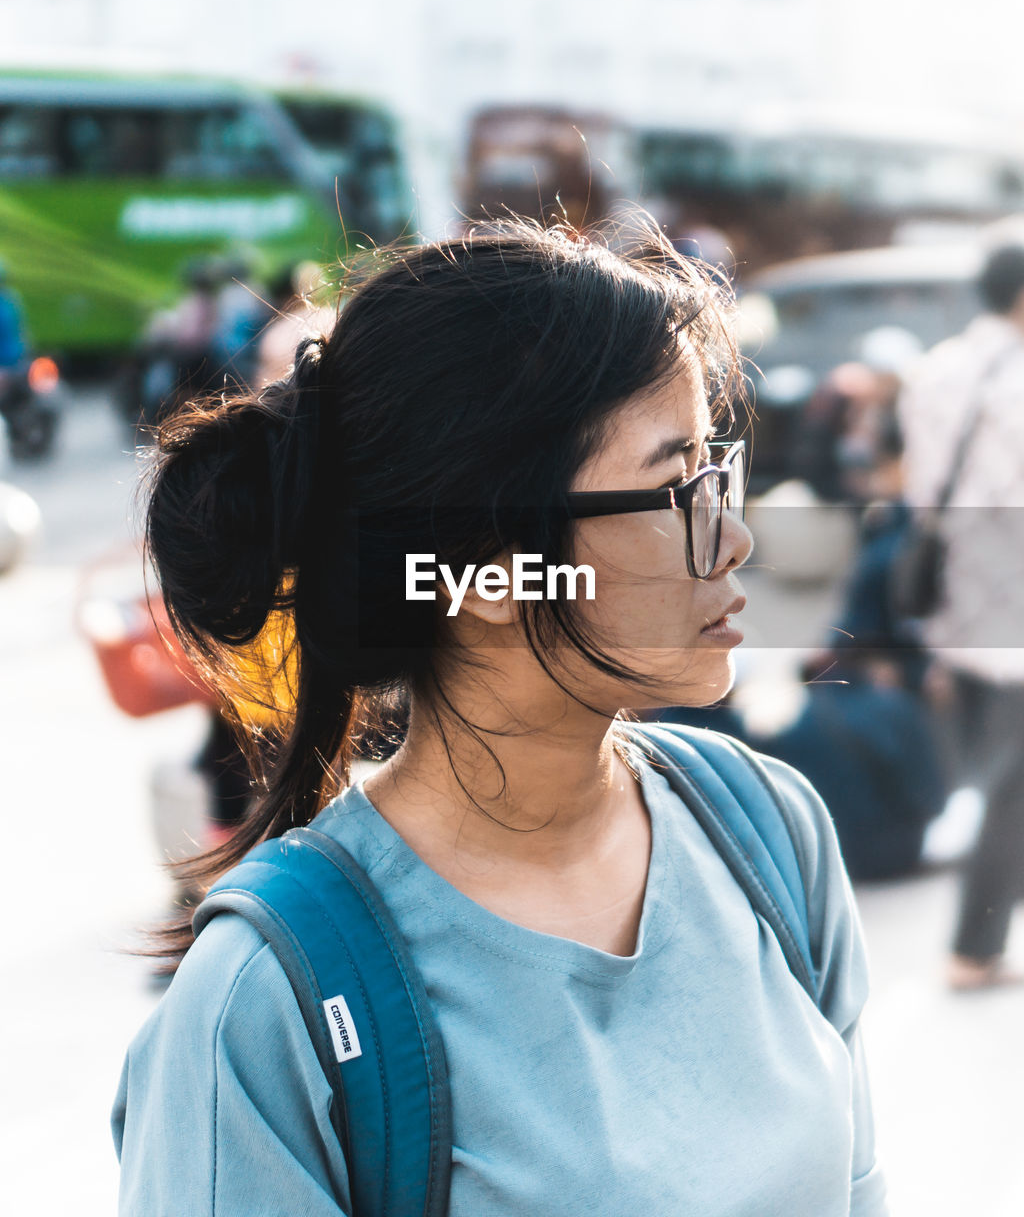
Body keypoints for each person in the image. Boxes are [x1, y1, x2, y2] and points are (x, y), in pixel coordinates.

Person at [112, 219, 888, 1214]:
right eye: (667, 489)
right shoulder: (266, 1002)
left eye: (714, 473)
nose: (733, 537)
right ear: (480, 567)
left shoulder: (767, 830)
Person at [899, 243, 1024, 990]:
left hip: (957, 596)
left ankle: (977, 941)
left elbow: (924, 490)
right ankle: (973, 948)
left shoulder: (938, 366)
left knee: (992, 769)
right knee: (1012, 782)